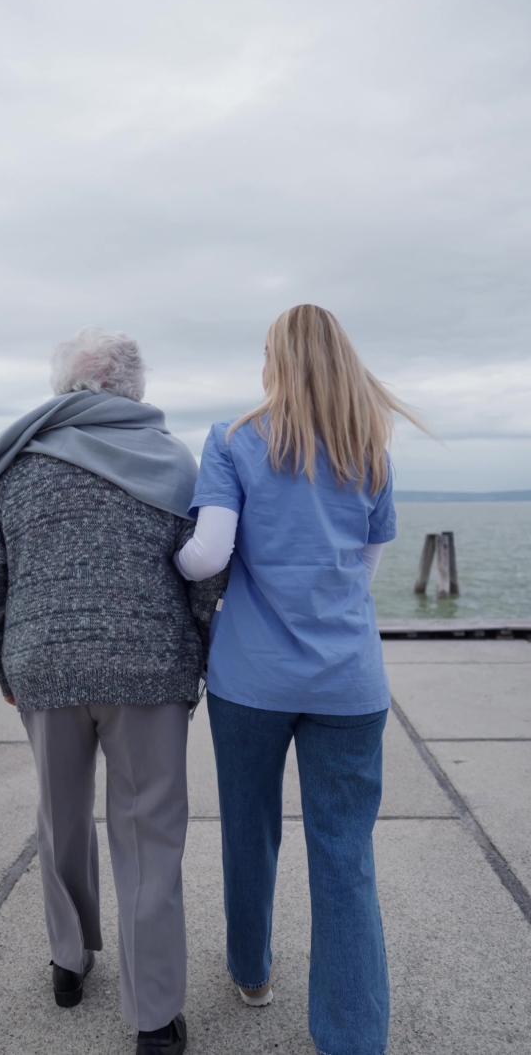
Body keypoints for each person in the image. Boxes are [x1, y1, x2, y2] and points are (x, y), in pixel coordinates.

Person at [0, 327, 227, 1055]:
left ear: (61, 384)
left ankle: (69, 962)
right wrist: (198, 654)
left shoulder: (15, 463)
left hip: (44, 669)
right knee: (150, 837)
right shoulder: (174, 463)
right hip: (149, 673)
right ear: (136, 388)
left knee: (60, 816)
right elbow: (206, 574)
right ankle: (155, 1019)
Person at [175, 304, 427, 1055]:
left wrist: (172, 557)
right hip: (349, 682)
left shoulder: (230, 439)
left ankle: (252, 972)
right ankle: (352, 1036)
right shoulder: (370, 448)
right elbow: (367, 570)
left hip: (250, 680)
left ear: (276, 360)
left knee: (249, 832)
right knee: (345, 851)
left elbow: (210, 553)